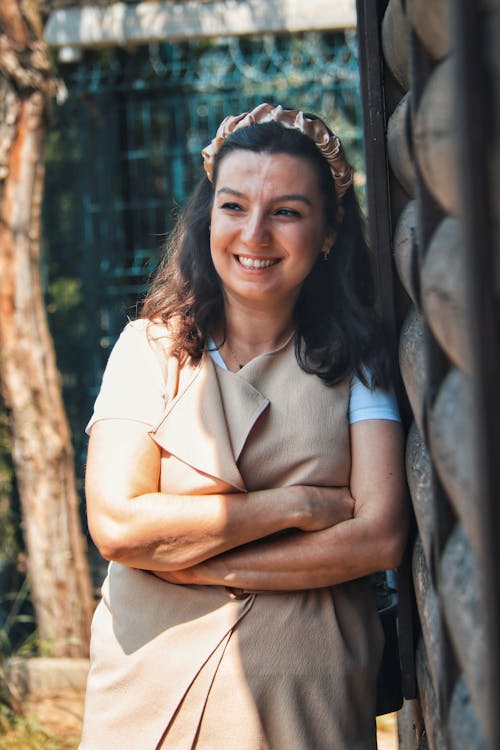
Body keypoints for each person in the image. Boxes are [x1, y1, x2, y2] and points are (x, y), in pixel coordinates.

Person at [80, 103, 407, 750]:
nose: (254, 234)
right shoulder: (148, 348)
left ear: (331, 232)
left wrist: (184, 560)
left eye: (286, 212)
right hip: (146, 694)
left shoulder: (361, 364)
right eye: (233, 207)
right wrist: (299, 505)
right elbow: (117, 523)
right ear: (209, 218)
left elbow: (378, 539)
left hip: (303, 697)